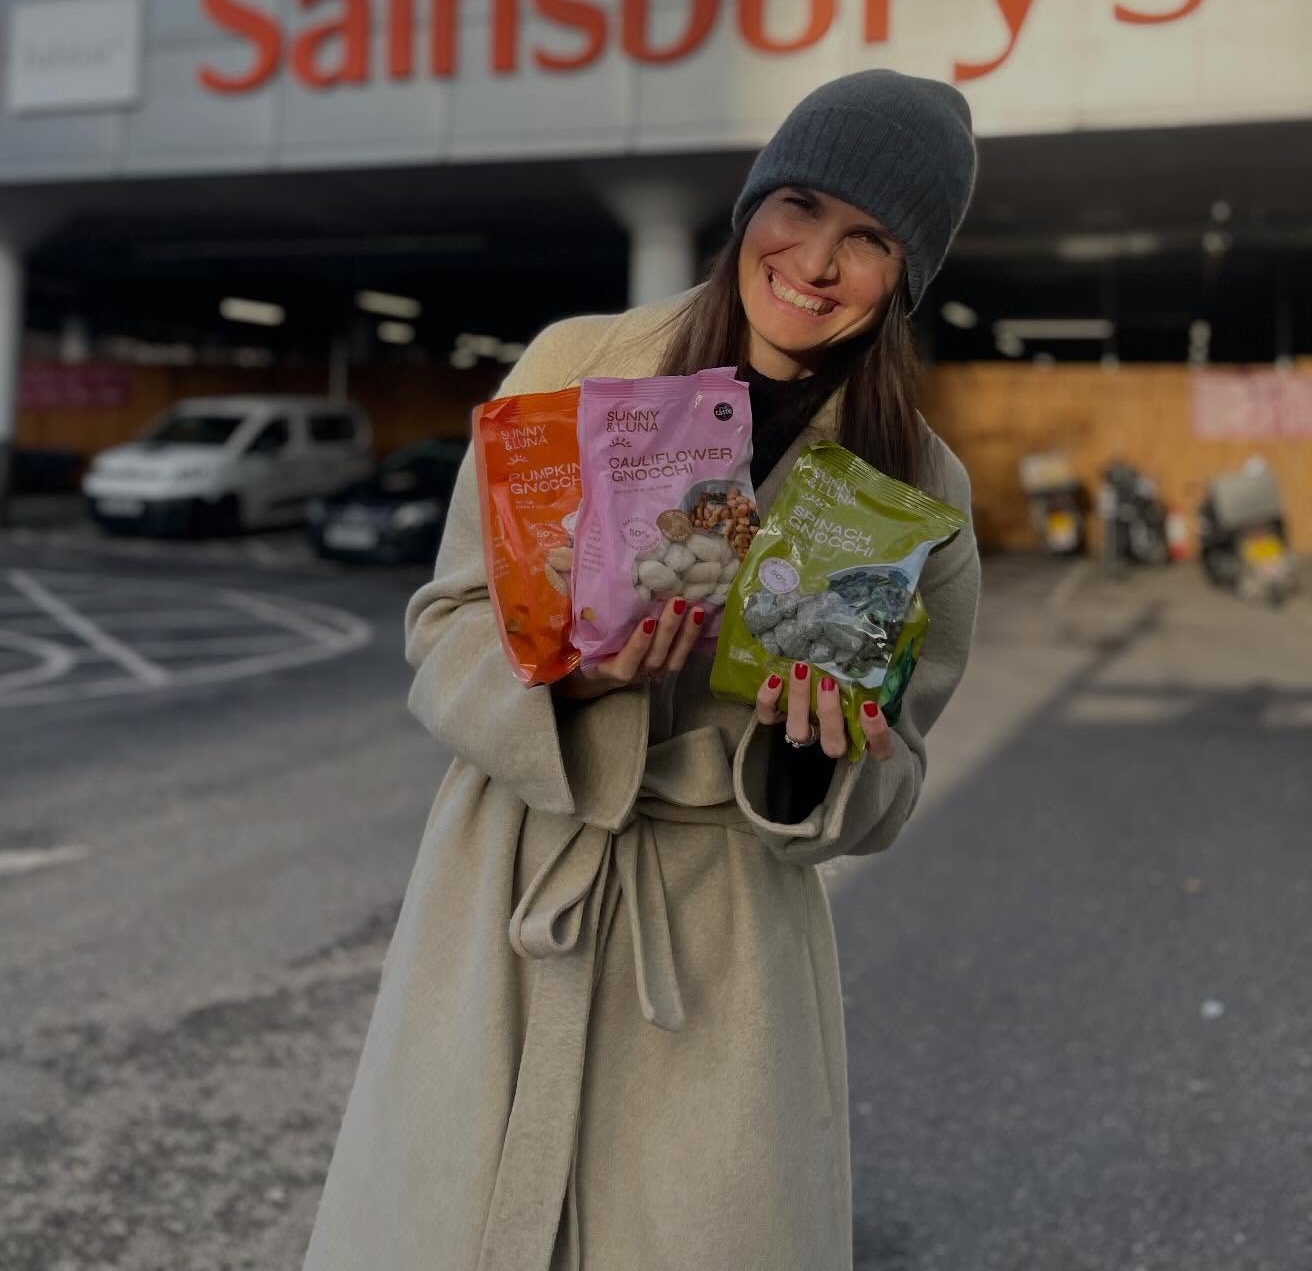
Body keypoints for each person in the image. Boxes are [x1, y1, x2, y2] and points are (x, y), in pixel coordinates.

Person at [303, 70, 982, 1271]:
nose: (816, 263)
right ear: (752, 202)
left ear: (906, 278)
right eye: (802, 206)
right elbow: (448, 619)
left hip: (721, 941)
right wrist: (575, 679)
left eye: (869, 240)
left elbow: (895, 773)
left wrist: (809, 755)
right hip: (512, 882)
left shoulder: (917, 486)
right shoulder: (578, 363)